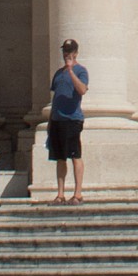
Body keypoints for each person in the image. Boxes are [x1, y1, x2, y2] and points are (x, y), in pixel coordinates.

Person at [48, 40, 89, 206]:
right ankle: (60, 193)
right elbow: (56, 96)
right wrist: (50, 120)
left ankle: (78, 193)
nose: (67, 54)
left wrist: (71, 71)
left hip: (72, 119)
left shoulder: (81, 71)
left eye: (70, 51)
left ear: (76, 53)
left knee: (75, 155)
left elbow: (82, 90)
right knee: (60, 158)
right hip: (57, 119)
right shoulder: (58, 73)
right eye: (65, 51)